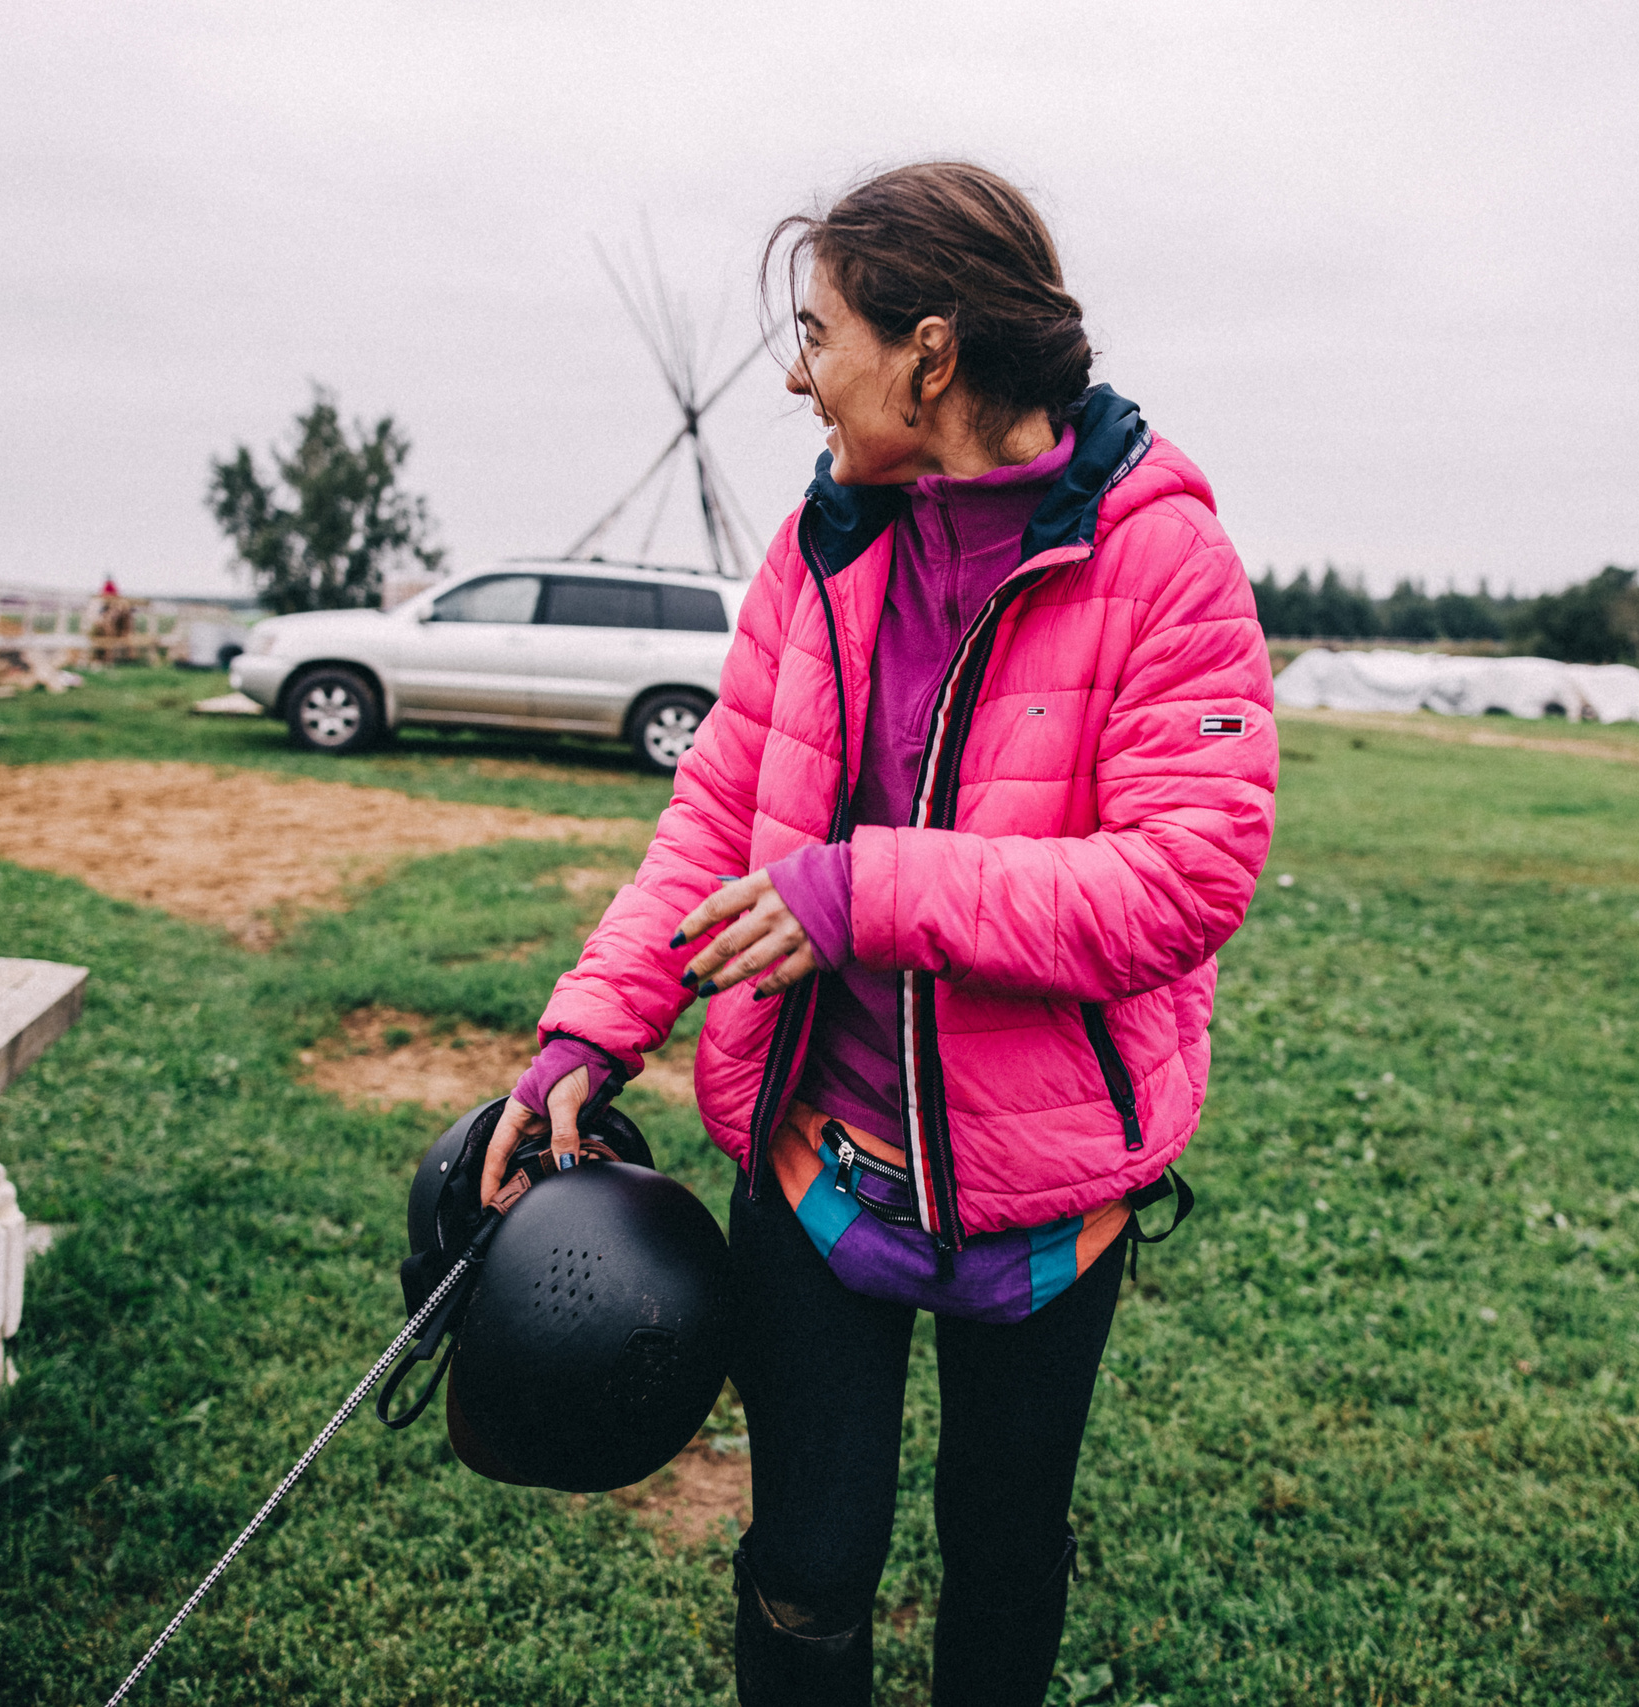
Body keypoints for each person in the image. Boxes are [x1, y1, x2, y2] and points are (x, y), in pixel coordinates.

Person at [482, 162, 1277, 1705]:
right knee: (804, 1568)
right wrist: (594, 1025)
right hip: (815, 1166)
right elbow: (717, 816)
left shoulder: (1163, 561)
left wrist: (865, 887)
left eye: (818, 330)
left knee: (1003, 1552)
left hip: (1050, 1197)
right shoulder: (824, 553)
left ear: (930, 351)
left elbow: (1183, 880)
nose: (796, 370)